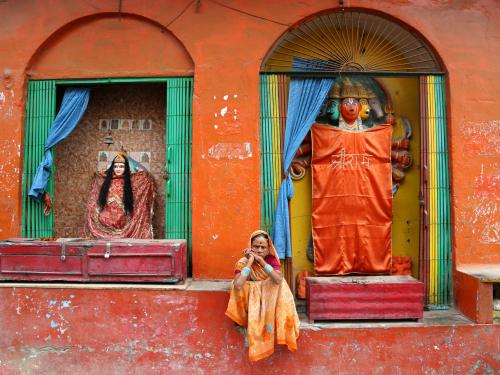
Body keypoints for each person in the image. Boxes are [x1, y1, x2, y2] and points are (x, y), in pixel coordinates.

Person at [225, 230, 300, 361]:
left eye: (263, 247)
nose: (259, 250)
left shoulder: (271, 260)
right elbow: (238, 285)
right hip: (252, 301)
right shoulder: (243, 262)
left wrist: (261, 262)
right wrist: (250, 262)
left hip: (269, 299)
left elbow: (277, 279)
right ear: (250, 246)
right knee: (236, 284)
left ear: (268, 248)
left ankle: (280, 321)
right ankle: (243, 321)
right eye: (255, 246)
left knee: (281, 284)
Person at [83, 152, 156, 239]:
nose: (118, 169)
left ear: (126, 168)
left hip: (125, 224)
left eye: (121, 166)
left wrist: (142, 174)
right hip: (104, 224)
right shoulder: (105, 180)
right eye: (115, 166)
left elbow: (146, 179)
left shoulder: (131, 181)